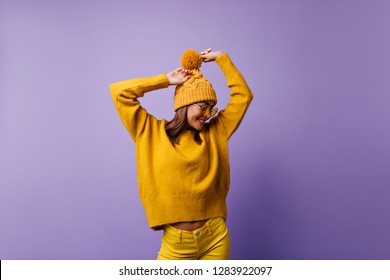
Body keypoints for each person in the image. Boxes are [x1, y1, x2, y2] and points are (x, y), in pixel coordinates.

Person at [110, 48, 253, 260]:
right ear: (185, 104)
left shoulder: (216, 132)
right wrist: (165, 80)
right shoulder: (149, 131)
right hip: (176, 244)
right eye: (203, 106)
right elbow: (119, 92)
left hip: (216, 238)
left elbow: (243, 96)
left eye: (211, 109)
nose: (207, 115)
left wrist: (221, 59)